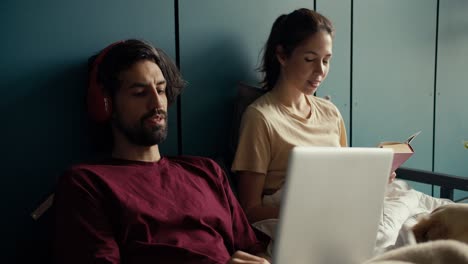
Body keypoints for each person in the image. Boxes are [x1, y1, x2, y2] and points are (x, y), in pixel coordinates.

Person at [53, 39, 270, 264]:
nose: (157, 103)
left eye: (160, 89)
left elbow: (253, 248)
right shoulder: (87, 183)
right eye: (139, 93)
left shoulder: (207, 171)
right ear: (107, 104)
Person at [231, 8, 348, 223]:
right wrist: (308, 214)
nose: (320, 70)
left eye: (326, 60)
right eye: (310, 59)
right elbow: (249, 210)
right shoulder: (260, 118)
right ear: (282, 56)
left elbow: (344, 180)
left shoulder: (331, 113)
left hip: (336, 212)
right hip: (301, 222)